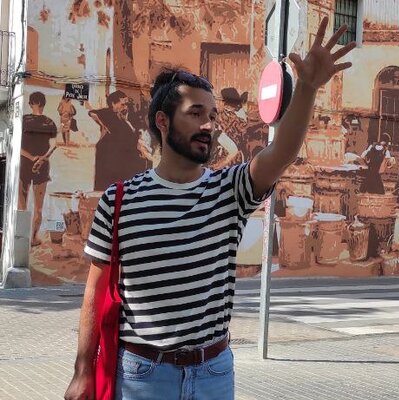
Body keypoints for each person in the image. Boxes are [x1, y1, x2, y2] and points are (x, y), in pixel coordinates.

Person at [64, 18, 355, 400]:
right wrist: (83, 371)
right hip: (142, 376)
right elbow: (94, 292)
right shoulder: (119, 201)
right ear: (163, 121)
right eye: (196, 113)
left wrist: (307, 88)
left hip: (213, 373)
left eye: (213, 115)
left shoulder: (228, 191)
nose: (209, 125)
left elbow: (281, 152)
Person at [88, 90, 151, 191]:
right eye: (122, 104)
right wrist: (103, 125)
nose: (125, 107)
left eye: (126, 104)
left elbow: (133, 130)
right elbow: (92, 113)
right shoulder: (107, 113)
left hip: (124, 153)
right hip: (110, 153)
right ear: (113, 103)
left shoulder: (125, 115)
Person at [18, 92, 58, 246]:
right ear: (44, 104)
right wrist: (42, 158)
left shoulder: (23, 120)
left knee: (22, 206)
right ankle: (34, 238)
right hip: (42, 166)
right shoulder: (50, 122)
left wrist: (31, 158)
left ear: (30, 104)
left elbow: (17, 145)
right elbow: (54, 145)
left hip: (24, 164)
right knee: (38, 208)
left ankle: (22, 239)